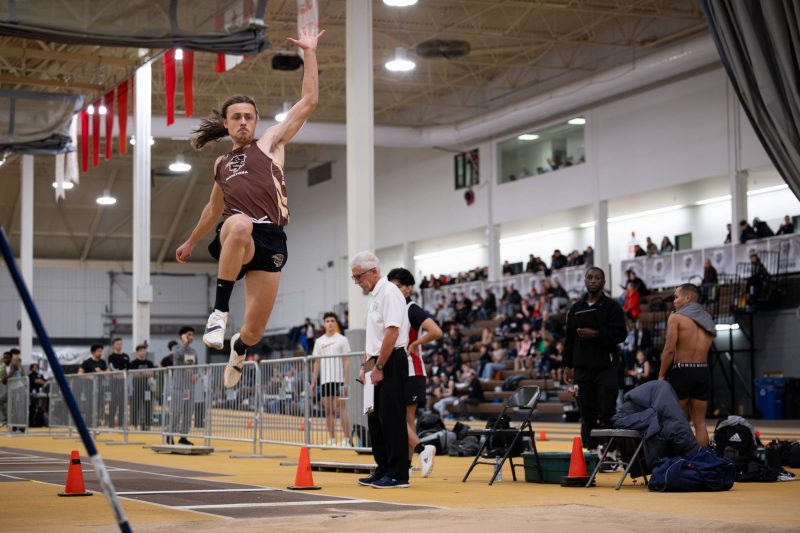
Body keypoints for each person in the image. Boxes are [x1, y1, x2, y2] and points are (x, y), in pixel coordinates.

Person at [175, 28, 325, 389]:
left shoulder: (271, 143)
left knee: (255, 331)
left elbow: (309, 102)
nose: (243, 122)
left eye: (248, 116)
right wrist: (191, 241)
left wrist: (310, 53)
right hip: (236, 233)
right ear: (226, 124)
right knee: (239, 224)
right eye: (236, 117)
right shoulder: (221, 164)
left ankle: (238, 348)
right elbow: (212, 211)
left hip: (271, 239)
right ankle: (219, 311)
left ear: (256, 121)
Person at [351, 251, 411, 489]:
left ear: (374, 271)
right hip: (377, 360)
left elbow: (392, 333)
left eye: (359, 277)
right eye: (354, 278)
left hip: (391, 360)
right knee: (375, 418)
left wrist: (379, 367)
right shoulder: (375, 296)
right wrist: (366, 366)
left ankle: (398, 473)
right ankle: (384, 468)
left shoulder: (389, 293)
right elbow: (375, 338)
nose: (357, 282)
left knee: (392, 418)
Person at [387, 267, 443, 479]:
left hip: (411, 369)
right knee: (408, 420)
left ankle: (422, 450)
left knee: (400, 419)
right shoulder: (395, 309)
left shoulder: (411, 308)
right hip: (408, 371)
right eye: (392, 286)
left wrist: (416, 343)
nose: (395, 290)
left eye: (399, 286)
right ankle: (407, 466)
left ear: (408, 288)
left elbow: (436, 331)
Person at [563, 267, 627, 451]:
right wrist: (567, 365)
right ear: (585, 280)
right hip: (582, 369)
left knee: (607, 411)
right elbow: (569, 339)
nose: (593, 280)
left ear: (603, 282)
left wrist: (596, 334)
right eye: (589, 277)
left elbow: (620, 335)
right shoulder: (576, 308)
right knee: (586, 412)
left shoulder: (612, 307)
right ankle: (590, 451)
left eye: (597, 278)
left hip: (606, 368)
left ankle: (610, 452)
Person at [658, 283, 714, 447]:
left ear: (688, 297)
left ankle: (678, 460)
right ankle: (701, 461)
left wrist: (661, 375)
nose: (674, 301)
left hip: (683, 372)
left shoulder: (676, 318)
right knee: (700, 423)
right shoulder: (707, 319)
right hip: (703, 372)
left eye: (676, 297)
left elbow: (669, 350)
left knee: (675, 420)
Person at [309, 312, 352, 447]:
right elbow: (317, 362)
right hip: (325, 381)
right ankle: (332, 439)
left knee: (341, 408)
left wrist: (346, 381)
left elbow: (346, 361)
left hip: (340, 380)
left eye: (332, 320)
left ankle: (347, 439)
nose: (330, 323)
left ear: (336, 323)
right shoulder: (319, 341)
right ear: (324, 324)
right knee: (328, 410)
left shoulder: (342, 340)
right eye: (327, 321)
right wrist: (314, 380)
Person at [167, 326, 197, 446]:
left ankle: (183, 437)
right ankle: (169, 434)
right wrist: (184, 343)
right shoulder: (176, 348)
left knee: (188, 412)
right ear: (183, 336)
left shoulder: (193, 351)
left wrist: (195, 374)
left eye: (192, 335)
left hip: (189, 388)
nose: (191, 337)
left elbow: (196, 366)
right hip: (178, 387)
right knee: (176, 411)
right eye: (188, 335)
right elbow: (178, 356)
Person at [129, 344, 156, 431]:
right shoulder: (133, 363)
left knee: (148, 406)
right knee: (135, 406)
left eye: (144, 350)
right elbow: (134, 374)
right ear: (137, 352)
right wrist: (144, 373)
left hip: (147, 388)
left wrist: (140, 373)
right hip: (136, 388)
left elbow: (151, 373)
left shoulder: (149, 363)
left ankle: (148, 425)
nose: (142, 352)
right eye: (140, 350)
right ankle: (134, 425)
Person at [107, 337, 130, 428]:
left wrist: (122, 373)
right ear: (113, 345)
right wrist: (120, 373)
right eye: (117, 343)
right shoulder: (111, 357)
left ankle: (121, 425)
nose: (119, 345)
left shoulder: (126, 356)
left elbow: (127, 368)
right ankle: (111, 425)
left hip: (123, 383)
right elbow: (112, 368)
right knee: (112, 404)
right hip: (113, 382)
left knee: (122, 404)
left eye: (121, 343)